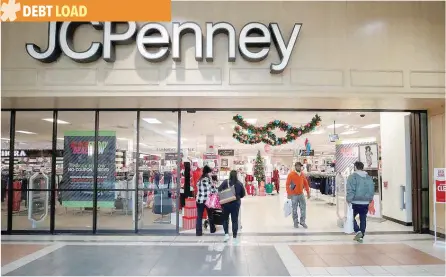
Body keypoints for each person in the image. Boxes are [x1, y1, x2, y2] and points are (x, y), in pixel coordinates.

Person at [346, 161, 375, 243]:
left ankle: (357, 231)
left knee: (351, 217)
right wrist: (370, 199)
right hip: (365, 202)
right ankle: (361, 235)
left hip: (355, 201)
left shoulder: (352, 177)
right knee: (363, 218)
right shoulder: (368, 177)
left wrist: (349, 199)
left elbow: (350, 189)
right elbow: (371, 189)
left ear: (355, 167)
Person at [218, 170, 245, 244]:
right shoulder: (239, 183)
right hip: (235, 204)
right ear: (236, 175)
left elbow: (219, 189)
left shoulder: (226, 182)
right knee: (234, 220)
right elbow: (243, 194)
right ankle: (235, 237)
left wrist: (225, 192)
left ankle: (226, 234)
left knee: (225, 219)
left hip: (226, 203)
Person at [286, 162, 310, 228]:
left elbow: (305, 183)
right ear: (295, 166)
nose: (299, 167)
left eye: (300, 166)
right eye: (298, 166)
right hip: (294, 195)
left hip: (301, 194)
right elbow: (287, 184)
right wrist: (289, 193)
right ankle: (295, 222)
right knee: (294, 209)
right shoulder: (291, 174)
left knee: (303, 208)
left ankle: (302, 221)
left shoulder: (302, 174)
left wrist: (308, 192)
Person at [195, 165, 216, 236]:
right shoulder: (208, 179)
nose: (211, 173)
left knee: (199, 217)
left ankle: (198, 232)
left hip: (199, 200)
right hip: (207, 200)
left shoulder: (200, 179)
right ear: (208, 172)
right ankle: (212, 229)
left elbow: (198, 189)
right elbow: (213, 190)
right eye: (210, 172)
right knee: (210, 215)